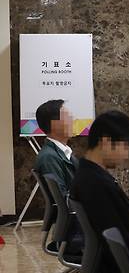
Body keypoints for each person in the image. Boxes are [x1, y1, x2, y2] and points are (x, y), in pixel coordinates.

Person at [69, 110, 129, 273]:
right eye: (126, 147)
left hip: (115, 272)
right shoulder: (95, 185)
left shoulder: (90, 176)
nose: (127, 155)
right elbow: (120, 241)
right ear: (106, 142)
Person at [34, 99, 83, 254]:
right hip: (76, 231)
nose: (73, 119)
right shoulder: (49, 157)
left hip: (78, 225)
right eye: (68, 116)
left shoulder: (61, 153)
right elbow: (65, 199)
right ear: (55, 124)